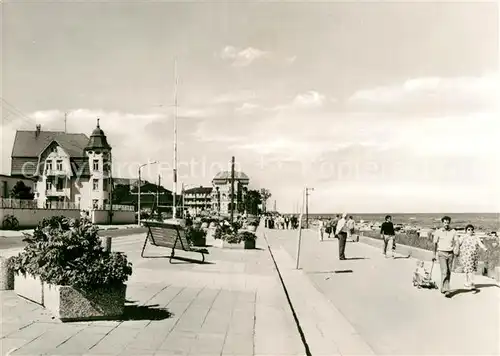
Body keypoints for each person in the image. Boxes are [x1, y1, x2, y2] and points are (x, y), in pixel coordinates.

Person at [432, 216, 458, 298]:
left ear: (449, 223)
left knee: (449, 271)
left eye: (448, 222)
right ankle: (446, 289)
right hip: (441, 253)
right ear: (442, 223)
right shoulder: (438, 232)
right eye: (445, 222)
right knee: (444, 270)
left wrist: (456, 249)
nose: (446, 224)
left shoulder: (453, 231)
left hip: (450, 253)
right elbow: (435, 243)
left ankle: (443, 288)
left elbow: (457, 241)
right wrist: (434, 254)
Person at [457, 224, 487, 290]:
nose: (470, 231)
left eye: (471, 230)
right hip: (465, 256)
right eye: (468, 230)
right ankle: (466, 282)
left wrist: (484, 248)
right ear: (466, 230)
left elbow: (480, 243)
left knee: (472, 270)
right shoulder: (463, 237)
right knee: (467, 270)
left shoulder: (476, 237)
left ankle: (471, 283)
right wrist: (456, 250)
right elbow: (457, 243)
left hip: (473, 256)